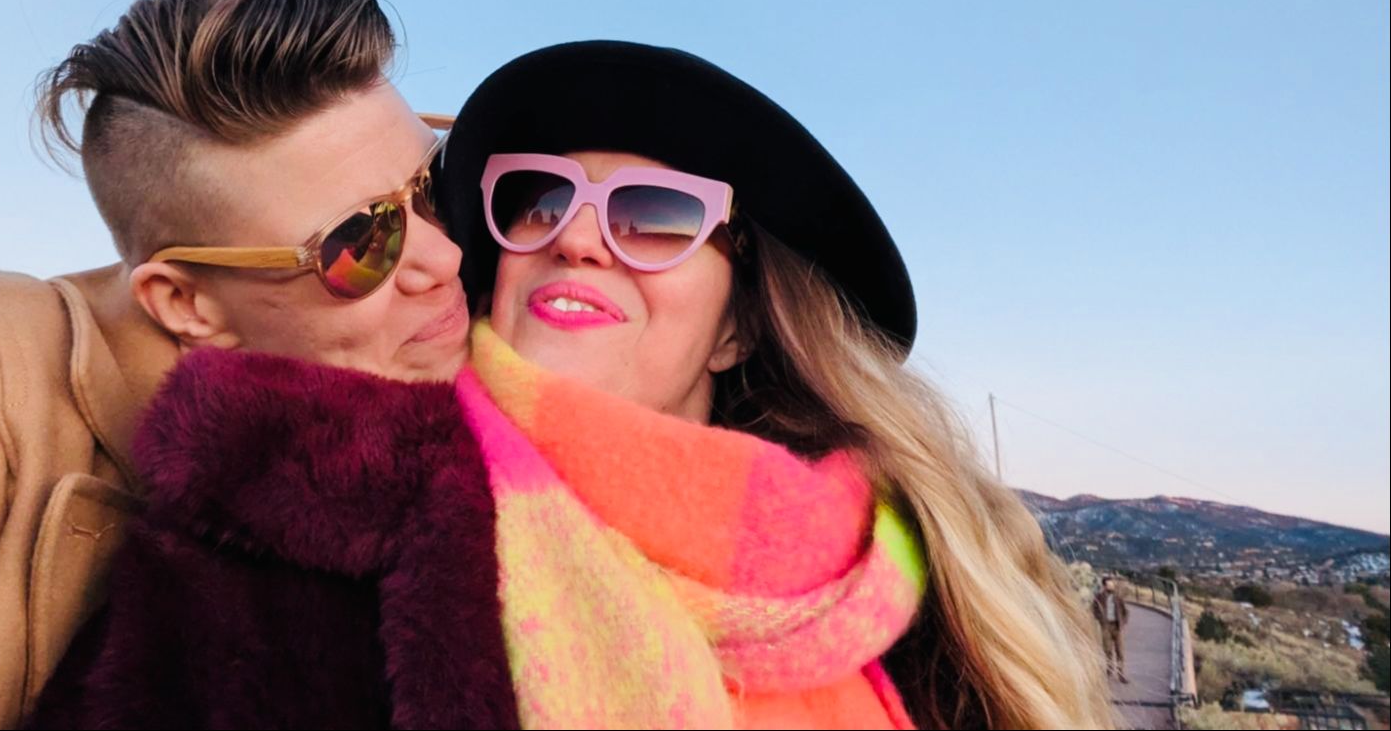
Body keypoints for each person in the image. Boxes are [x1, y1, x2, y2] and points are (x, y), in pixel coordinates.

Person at [0, 0, 466, 730]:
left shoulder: (499, 332)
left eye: (431, 183)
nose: (444, 258)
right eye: (360, 241)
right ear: (186, 303)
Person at [434, 40, 1119, 730]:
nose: (574, 237)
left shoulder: (931, 632)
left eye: (656, 214)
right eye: (543, 200)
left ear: (735, 331)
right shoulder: (400, 526)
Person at [1092, 575, 1131, 682]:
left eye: (1112, 584)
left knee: (1120, 651)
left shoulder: (1118, 597)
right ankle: (1109, 672)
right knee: (1107, 650)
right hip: (1106, 626)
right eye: (1109, 584)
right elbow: (1094, 609)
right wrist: (1100, 619)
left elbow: (1125, 611)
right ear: (1104, 586)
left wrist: (1123, 622)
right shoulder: (1099, 597)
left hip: (1117, 627)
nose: (1112, 586)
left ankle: (1121, 674)